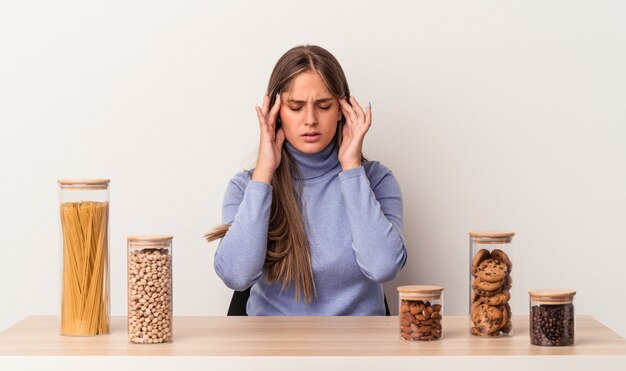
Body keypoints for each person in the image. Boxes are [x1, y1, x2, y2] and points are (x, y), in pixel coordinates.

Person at [206, 45, 407, 315]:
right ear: (277, 113)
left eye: (323, 106)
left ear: (342, 110)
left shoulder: (376, 180)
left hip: (358, 349)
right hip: (273, 348)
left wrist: (351, 169)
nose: (310, 120)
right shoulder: (246, 187)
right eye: (296, 107)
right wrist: (263, 175)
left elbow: (383, 267)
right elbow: (236, 276)